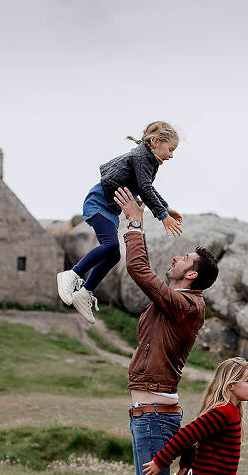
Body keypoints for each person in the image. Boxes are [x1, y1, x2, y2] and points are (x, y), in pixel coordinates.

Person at [114, 185, 220, 475]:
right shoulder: (177, 303)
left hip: (155, 417)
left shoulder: (188, 305)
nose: (175, 257)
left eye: (184, 258)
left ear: (191, 273)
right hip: (147, 416)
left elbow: (139, 271)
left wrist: (135, 224)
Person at [56, 121, 185, 324]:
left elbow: (147, 188)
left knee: (113, 255)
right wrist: (162, 216)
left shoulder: (150, 159)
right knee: (110, 245)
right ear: (156, 141)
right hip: (99, 202)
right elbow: (144, 188)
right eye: (170, 149)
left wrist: (166, 207)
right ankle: (72, 274)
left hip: (111, 208)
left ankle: (85, 292)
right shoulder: (141, 157)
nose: (171, 155)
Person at [142, 357, 248, 475]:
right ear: (231, 385)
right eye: (247, 381)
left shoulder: (231, 411)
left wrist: (186, 464)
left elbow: (197, 439)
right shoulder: (224, 411)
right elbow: (187, 435)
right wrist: (160, 462)